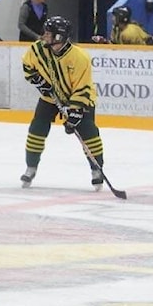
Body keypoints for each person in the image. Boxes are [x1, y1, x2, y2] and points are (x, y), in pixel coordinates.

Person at [21, 16, 106, 190]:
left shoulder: (79, 57)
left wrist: (74, 113)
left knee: (88, 131)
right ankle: (31, 167)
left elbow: (82, 87)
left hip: (79, 99)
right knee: (37, 128)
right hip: (50, 98)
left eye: (48, 34)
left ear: (59, 37)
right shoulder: (37, 50)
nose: (44, 36)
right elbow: (27, 66)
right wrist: (40, 83)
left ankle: (97, 170)